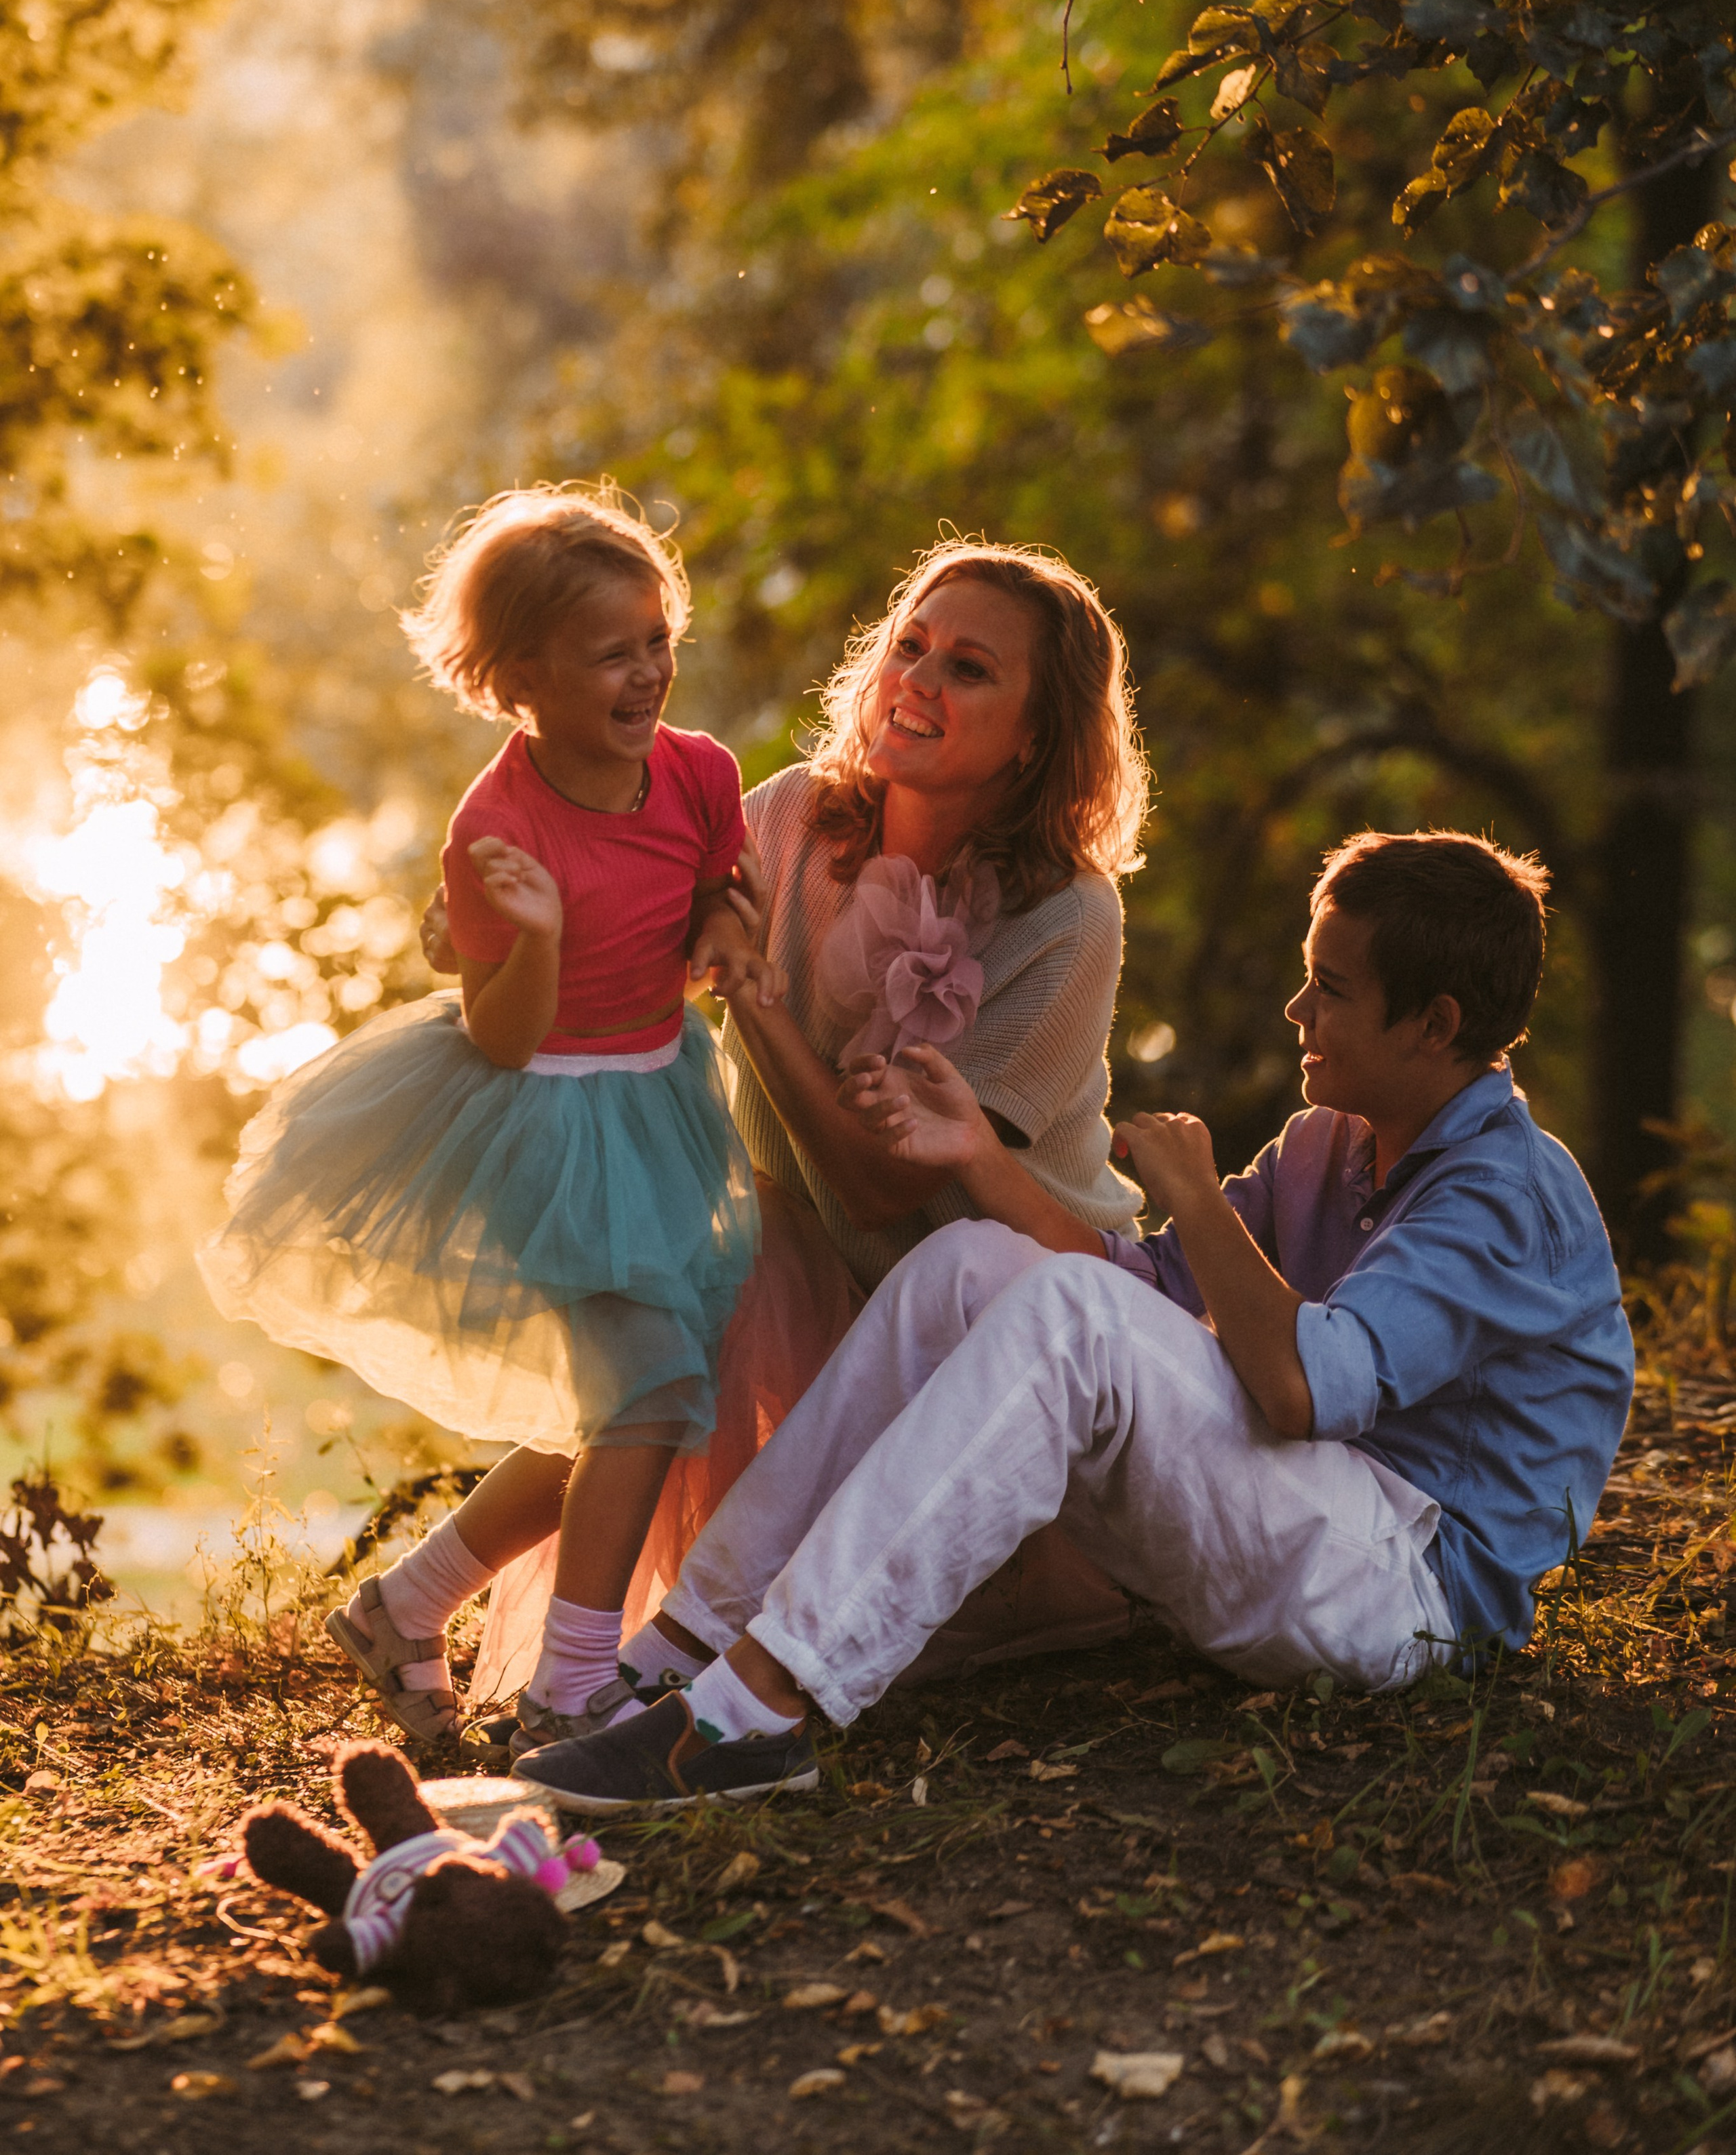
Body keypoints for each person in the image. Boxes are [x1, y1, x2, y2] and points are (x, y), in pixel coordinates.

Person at [505, 829, 1636, 1812]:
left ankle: (756, 1713)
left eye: (1331, 988)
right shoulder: (1326, 1144)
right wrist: (979, 1159)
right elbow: (1138, 1285)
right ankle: (679, 1654)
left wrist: (1197, 1193)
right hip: (1311, 1517)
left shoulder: (1504, 1196)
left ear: (1434, 1023)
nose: (1299, 1009)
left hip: (1410, 1586)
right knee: (969, 1265)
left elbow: (1303, 1391)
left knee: (1071, 1319)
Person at [467, 536, 1154, 1721]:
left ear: (1038, 733)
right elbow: (628, 941)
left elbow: (889, 1191)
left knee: (734, 1270)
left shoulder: (1067, 916)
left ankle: (602, 1661)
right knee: (696, 1265)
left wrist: (757, 1001)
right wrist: (502, 926)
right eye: (911, 645)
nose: (918, 682)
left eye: (971, 669)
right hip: (805, 1268)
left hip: (985, 1305)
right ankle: (437, 1606)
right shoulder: (785, 818)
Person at [199, 483, 781, 1747]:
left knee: (634, 1397)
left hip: (660, 1098)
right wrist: (544, 933)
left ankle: (405, 1605)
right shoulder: (498, 829)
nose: (646, 674)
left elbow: (713, 885)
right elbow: (502, 1035)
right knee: (643, 1396)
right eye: (609, 653)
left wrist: (730, 924)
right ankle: (573, 1688)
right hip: (543, 1121)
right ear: (521, 677)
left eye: (656, 638)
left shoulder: (697, 773)